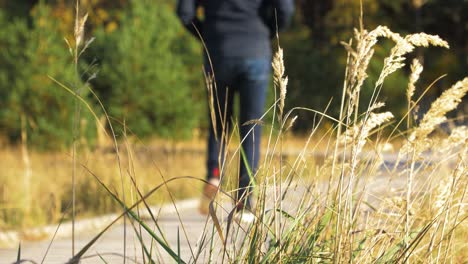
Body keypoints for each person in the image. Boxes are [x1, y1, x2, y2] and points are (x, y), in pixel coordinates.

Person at [177, 0, 294, 218]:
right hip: (255, 49)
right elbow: (285, 9)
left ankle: (213, 173)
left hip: (217, 52)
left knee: (218, 121)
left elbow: (184, 12)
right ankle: (244, 199)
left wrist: (207, 35)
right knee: (251, 129)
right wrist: (267, 31)